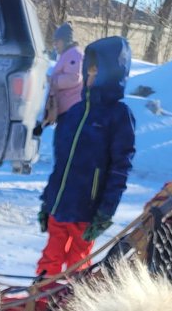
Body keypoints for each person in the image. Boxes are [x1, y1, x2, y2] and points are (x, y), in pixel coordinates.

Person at [36, 36, 136, 279]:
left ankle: (69, 308)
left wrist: (106, 211)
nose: (90, 77)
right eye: (88, 70)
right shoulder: (74, 113)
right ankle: (40, 302)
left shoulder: (119, 116)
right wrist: (48, 201)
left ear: (111, 73)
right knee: (51, 258)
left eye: (97, 71)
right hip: (61, 206)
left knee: (77, 265)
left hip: (87, 211)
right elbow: (62, 164)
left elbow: (120, 169)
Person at [34, 22, 84, 137]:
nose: (55, 44)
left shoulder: (74, 54)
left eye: (57, 40)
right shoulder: (68, 54)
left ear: (66, 40)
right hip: (66, 109)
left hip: (71, 109)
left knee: (65, 142)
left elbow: (74, 78)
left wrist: (52, 80)